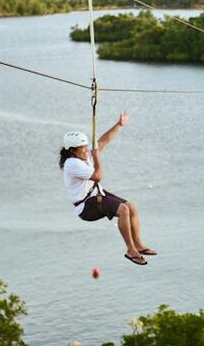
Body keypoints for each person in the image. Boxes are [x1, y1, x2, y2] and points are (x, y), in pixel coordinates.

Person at [59, 111, 156, 266]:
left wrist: (119, 125)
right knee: (123, 210)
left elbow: (103, 142)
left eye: (85, 147)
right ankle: (130, 250)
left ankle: (138, 245)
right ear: (72, 150)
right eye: (82, 148)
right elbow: (98, 176)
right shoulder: (72, 163)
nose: (86, 150)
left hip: (96, 195)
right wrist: (96, 156)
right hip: (86, 207)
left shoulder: (82, 155)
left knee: (132, 207)